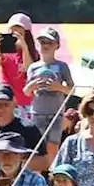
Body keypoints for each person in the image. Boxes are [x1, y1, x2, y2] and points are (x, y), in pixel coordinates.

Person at [24, 27, 74, 157]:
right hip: (38, 113)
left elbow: (72, 89)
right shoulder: (33, 67)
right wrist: (32, 85)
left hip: (56, 113)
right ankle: (39, 174)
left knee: (53, 147)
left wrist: (59, 87)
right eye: (42, 42)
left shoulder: (62, 66)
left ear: (57, 45)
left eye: (49, 43)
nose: (45, 46)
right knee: (37, 148)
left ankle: (51, 175)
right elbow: (26, 91)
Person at [0, 84, 47, 170]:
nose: (0, 109)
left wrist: (15, 164)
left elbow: (45, 162)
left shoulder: (29, 129)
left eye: (5, 105)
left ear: (14, 103)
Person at [0, 12, 37, 118]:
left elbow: (29, 69)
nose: (15, 31)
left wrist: (24, 47)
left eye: (19, 28)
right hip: (8, 100)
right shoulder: (5, 52)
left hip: (27, 101)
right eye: (13, 28)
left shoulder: (32, 52)